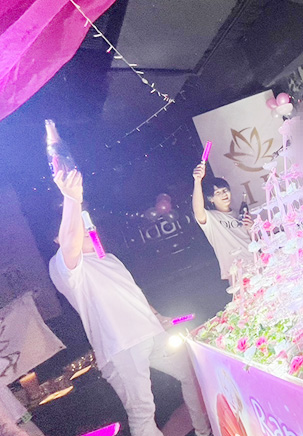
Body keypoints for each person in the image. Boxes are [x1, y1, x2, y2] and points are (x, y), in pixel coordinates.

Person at [48, 170, 212, 436]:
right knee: (142, 412)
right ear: (58, 238)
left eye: (86, 222)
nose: (86, 228)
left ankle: (205, 431)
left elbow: (133, 293)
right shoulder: (65, 268)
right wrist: (72, 199)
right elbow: (69, 243)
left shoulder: (108, 259)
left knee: (192, 373)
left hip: (151, 333)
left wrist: (157, 316)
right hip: (121, 346)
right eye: (78, 224)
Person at [192, 164, 253, 284]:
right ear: (210, 199)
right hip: (237, 273)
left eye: (225, 190)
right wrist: (197, 181)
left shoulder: (240, 214)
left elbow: (253, 241)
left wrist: (251, 229)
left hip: (256, 262)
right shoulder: (211, 219)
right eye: (218, 192)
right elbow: (198, 210)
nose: (224, 194)